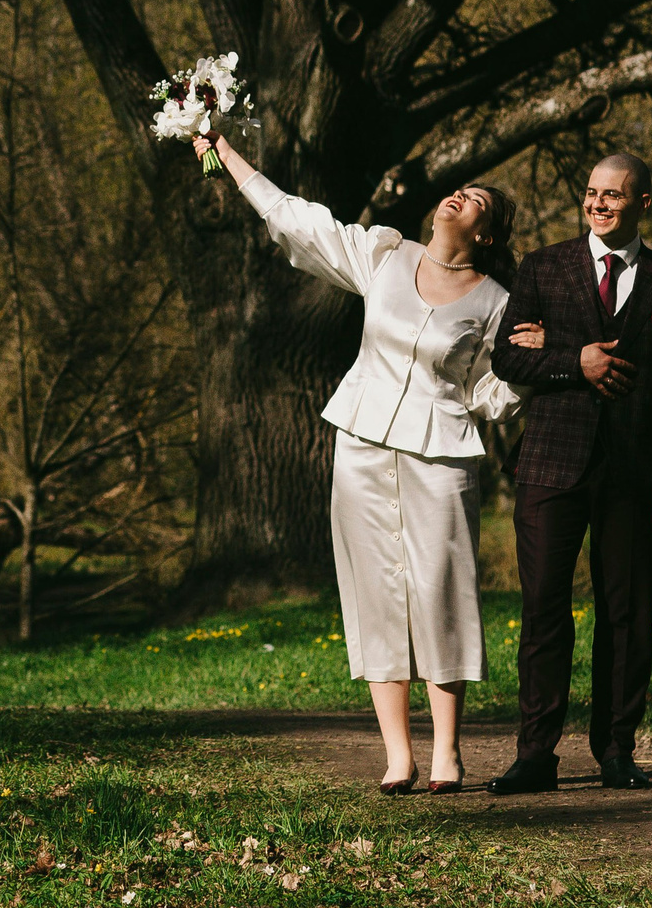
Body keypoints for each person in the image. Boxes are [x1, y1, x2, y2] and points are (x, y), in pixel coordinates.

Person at [199, 128, 524, 793]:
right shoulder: (385, 254)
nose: (459, 197)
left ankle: (447, 751)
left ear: (486, 234)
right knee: (375, 591)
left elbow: (490, 395)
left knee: (441, 589)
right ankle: (398, 755)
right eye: (460, 190)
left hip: (441, 456)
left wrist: (531, 367)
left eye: (477, 201)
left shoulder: (497, 303)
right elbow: (299, 220)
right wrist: (224, 152)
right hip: (361, 447)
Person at [487, 152, 652, 795]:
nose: (598, 203)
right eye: (591, 192)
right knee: (544, 609)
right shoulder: (543, 267)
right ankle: (535, 756)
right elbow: (506, 359)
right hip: (551, 463)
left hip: (634, 473)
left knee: (626, 614)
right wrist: (570, 360)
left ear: (643, 203)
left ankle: (616, 751)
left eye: (613, 194)